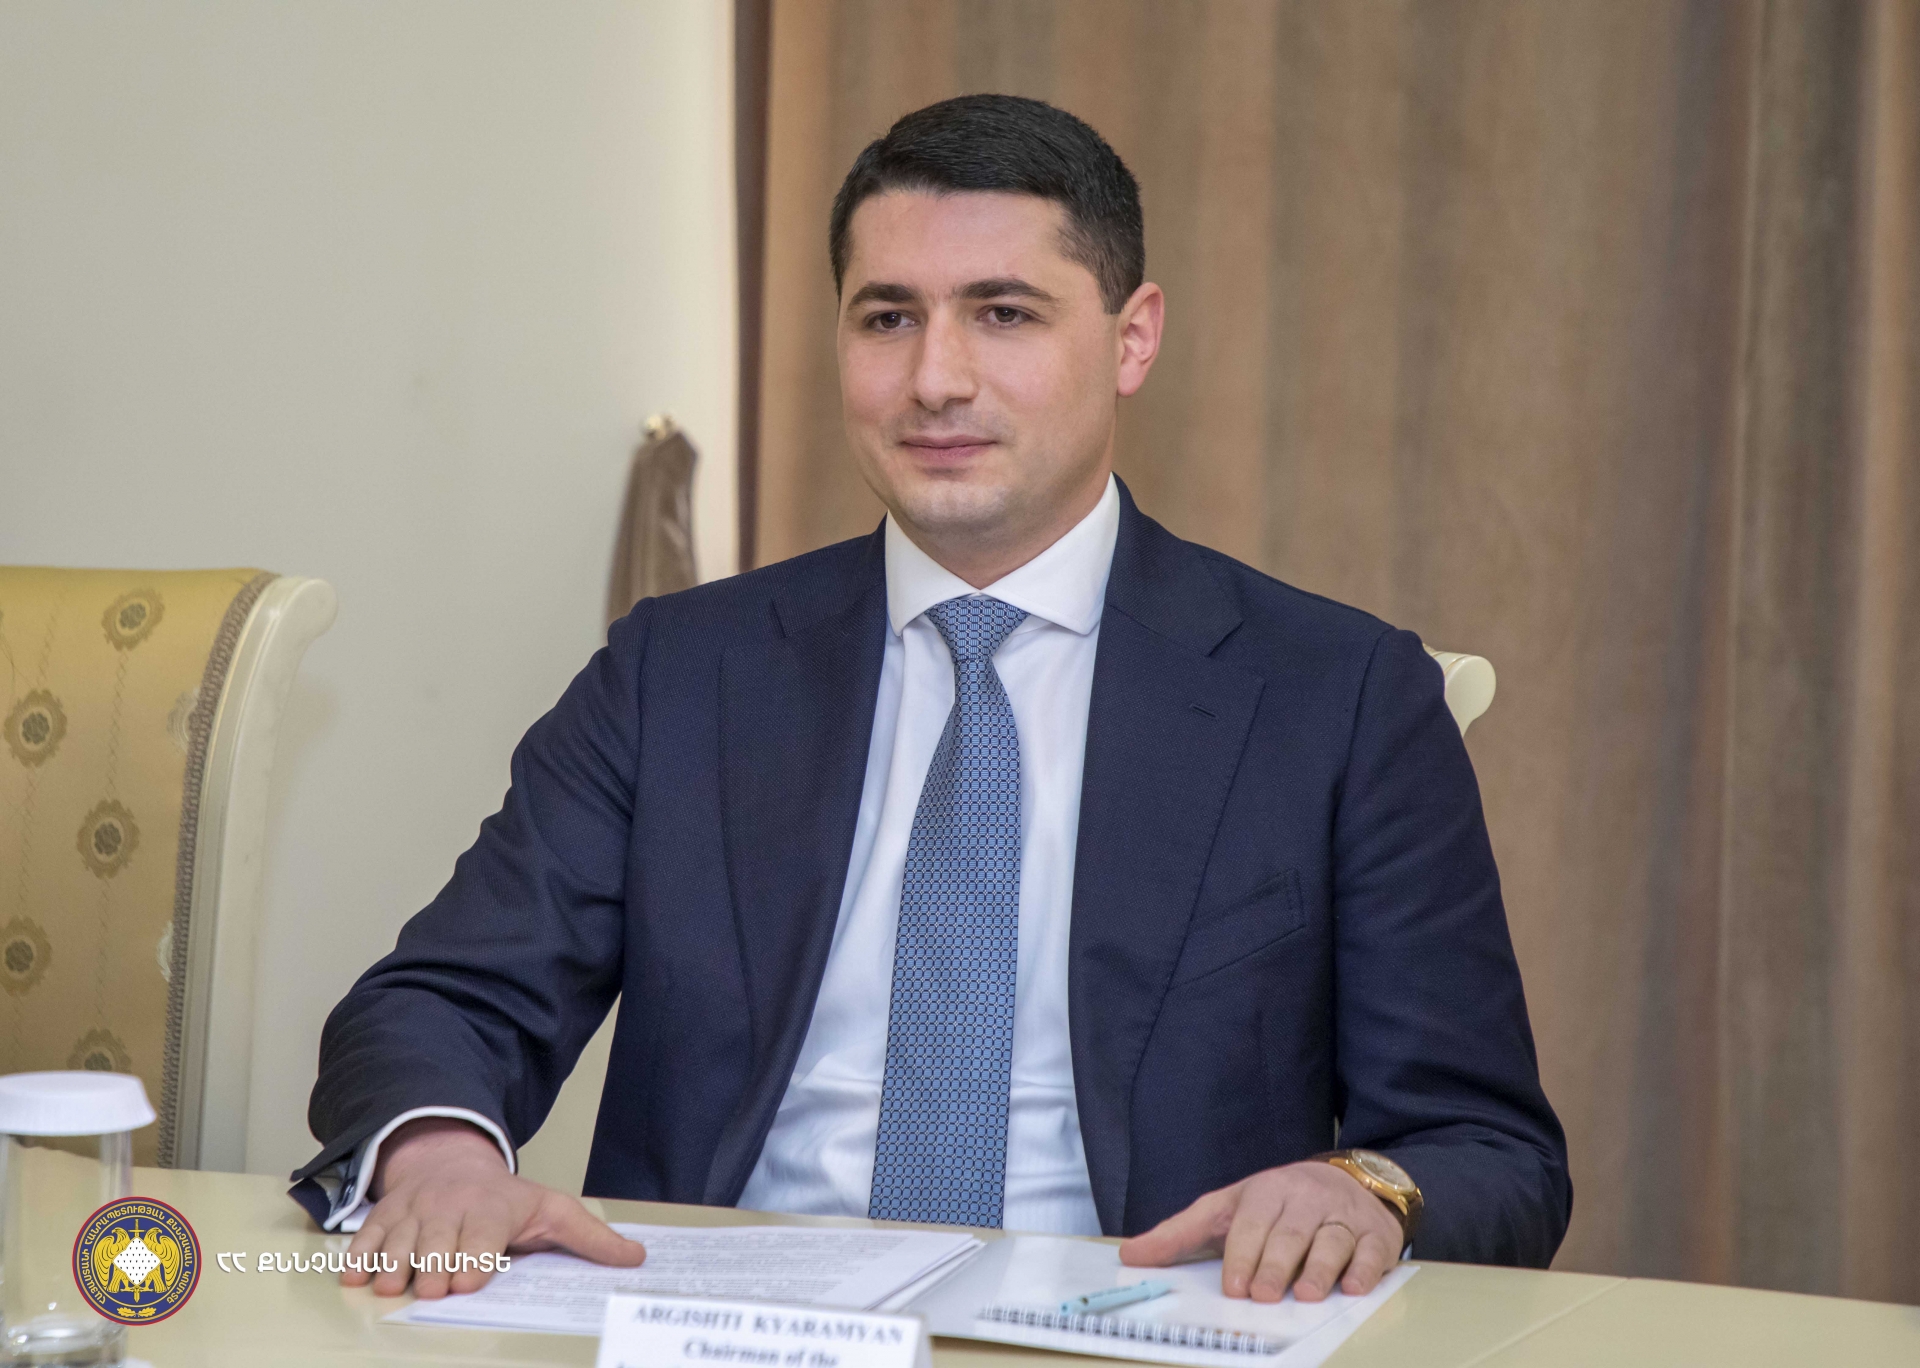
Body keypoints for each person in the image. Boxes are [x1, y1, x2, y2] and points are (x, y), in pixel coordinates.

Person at [294, 93, 1570, 1307]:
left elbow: (1485, 1148)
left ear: (1132, 338)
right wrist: (443, 1159)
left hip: (1136, 1321)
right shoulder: (682, 672)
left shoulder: (1335, 696)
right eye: (887, 318)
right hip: (723, 1323)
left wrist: (1359, 1189)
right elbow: (441, 1002)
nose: (935, 379)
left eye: (1004, 314)